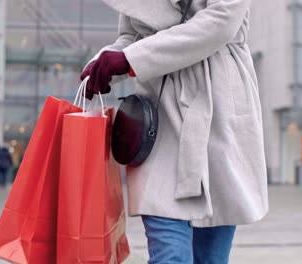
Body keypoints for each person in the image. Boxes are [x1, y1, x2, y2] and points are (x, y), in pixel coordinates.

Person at [80, 0, 269, 263]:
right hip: (160, 118)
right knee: (170, 255)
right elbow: (133, 35)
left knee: (211, 258)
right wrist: (104, 64)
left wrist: (130, 59)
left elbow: (221, 21)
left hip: (218, 109)